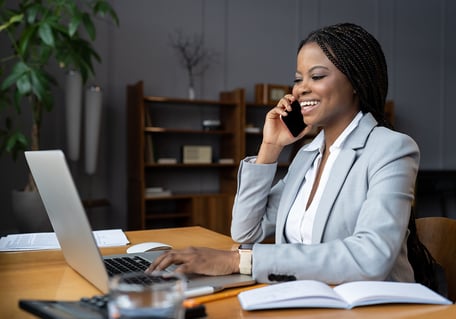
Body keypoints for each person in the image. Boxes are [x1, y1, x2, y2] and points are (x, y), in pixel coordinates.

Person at [147, 23, 423, 286]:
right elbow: (246, 232)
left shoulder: (391, 149)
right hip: (309, 298)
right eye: (298, 79)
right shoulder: (308, 156)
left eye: (316, 76)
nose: (301, 88)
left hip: (375, 307)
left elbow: (370, 256)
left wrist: (240, 262)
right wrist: (270, 147)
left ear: (355, 82)